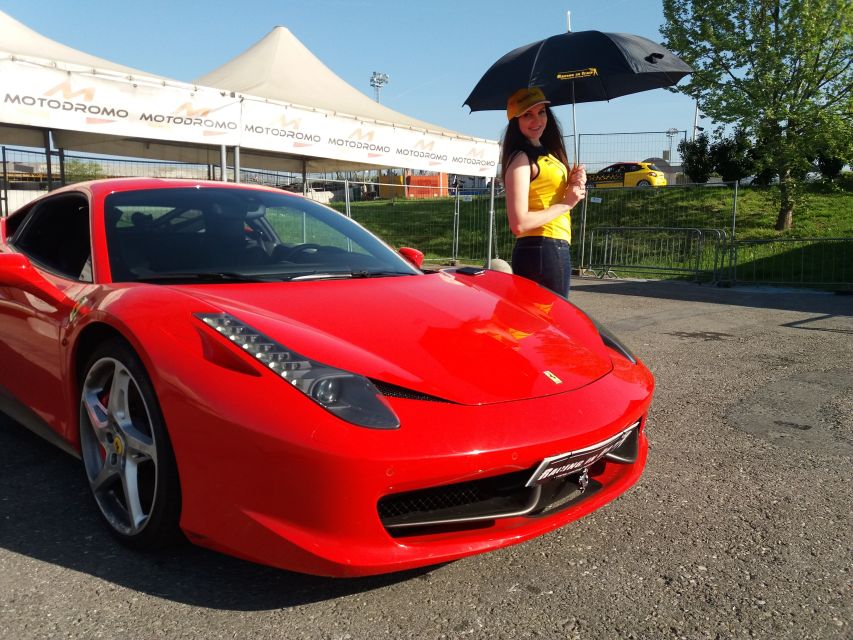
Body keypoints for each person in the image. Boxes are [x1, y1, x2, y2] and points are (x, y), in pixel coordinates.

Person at [500, 87, 587, 297]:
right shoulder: (521, 159)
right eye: (527, 115)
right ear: (515, 121)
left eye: (541, 112)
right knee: (551, 324)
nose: (537, 120)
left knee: (547, 323)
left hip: (550, 247)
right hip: (542, 246)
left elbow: (550, 194)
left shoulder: (547, 154)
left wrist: (574, 181)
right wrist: (566, 203)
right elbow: (519, 223)